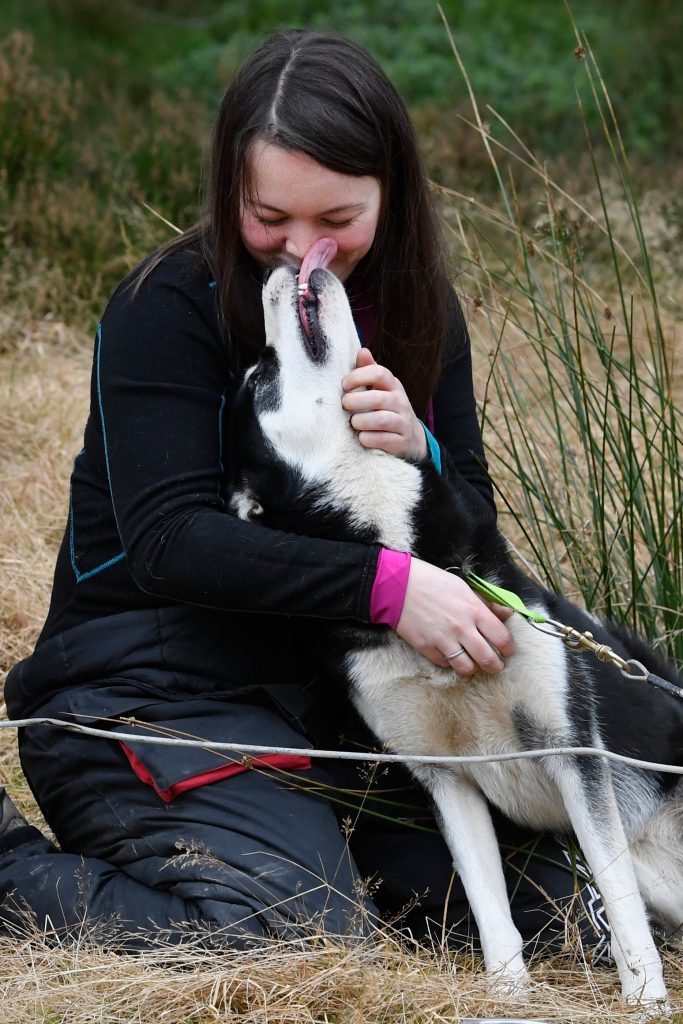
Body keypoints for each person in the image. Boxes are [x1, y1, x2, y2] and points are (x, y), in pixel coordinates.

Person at [0, 28, 607, 955]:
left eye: (338, 221)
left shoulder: (420, 310)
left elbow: (474, 521)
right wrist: (387, 588)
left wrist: (424, 454)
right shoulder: (161, 308)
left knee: (573, 908)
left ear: (391, 192)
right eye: (269, 218)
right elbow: (169, 542)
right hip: (144, 687)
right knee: (293, 932)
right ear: (227, 190)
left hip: (351, 701)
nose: (303, 253)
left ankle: (326, 848)